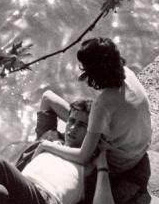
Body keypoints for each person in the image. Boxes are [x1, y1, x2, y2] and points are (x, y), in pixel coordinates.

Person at [36, 36, 151, 175]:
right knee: (48, 97)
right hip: (140, 146)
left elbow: (83, 157)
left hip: (120, 161)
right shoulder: (128, 73)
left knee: (50, 139)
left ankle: (40, 146)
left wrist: (47, 146)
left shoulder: (102, 105)